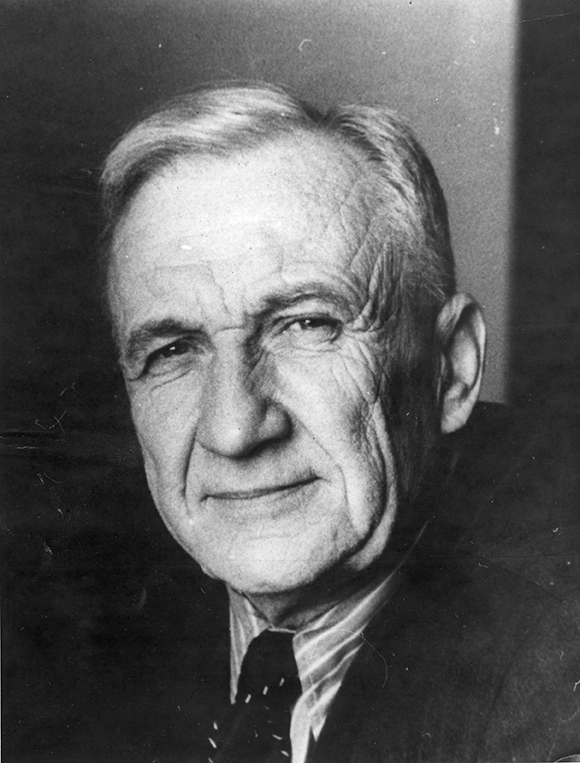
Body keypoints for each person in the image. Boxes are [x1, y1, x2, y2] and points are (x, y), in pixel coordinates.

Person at [97, 81, 579, 762]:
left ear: (450, 369)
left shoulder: (555, 671)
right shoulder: (72, 624)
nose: (234, 429)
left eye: (306, 324)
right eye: (172, 350)